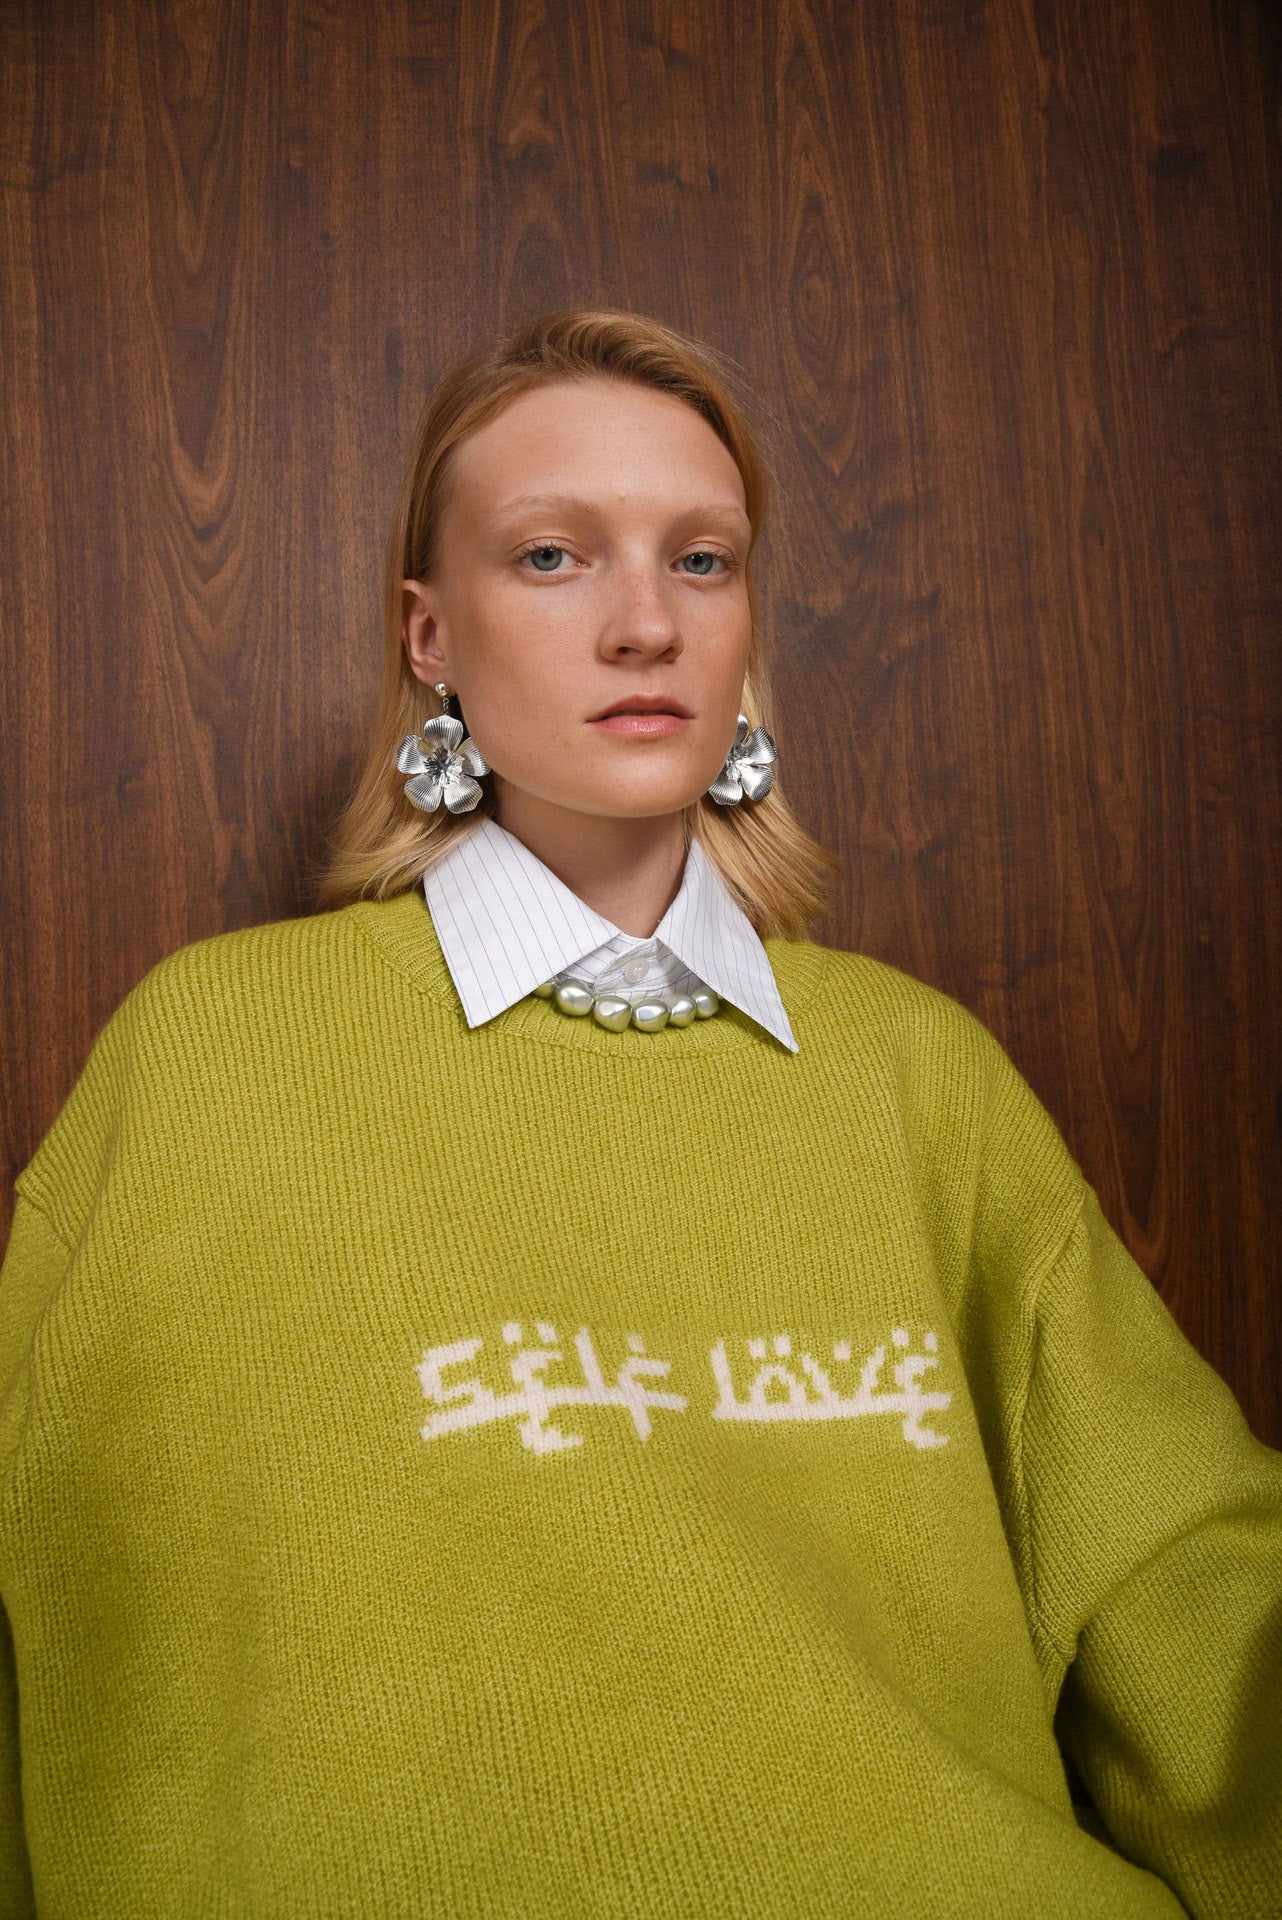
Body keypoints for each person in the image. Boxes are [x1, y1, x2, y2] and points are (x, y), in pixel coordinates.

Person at [0, 308, 1277, 1919]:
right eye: (550, 556)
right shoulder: (214, 1057)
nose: (645, 625)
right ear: (427, 634)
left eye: (700, 561)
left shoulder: (915, 1073)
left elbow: (1184, 1580)